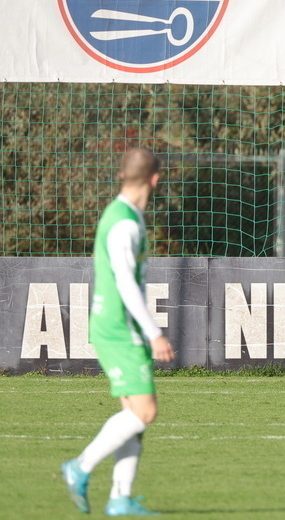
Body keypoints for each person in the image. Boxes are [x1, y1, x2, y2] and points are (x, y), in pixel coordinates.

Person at [61, 147, 175, 516]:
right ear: (155, 179)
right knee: (145, 412)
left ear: (122, 175)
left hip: (119, 325)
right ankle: (79, 467)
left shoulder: (127, 215)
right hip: (118, 325)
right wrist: (154, 331)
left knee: (134, 418)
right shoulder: (124, 222)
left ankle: (120, 499)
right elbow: (125, 283)